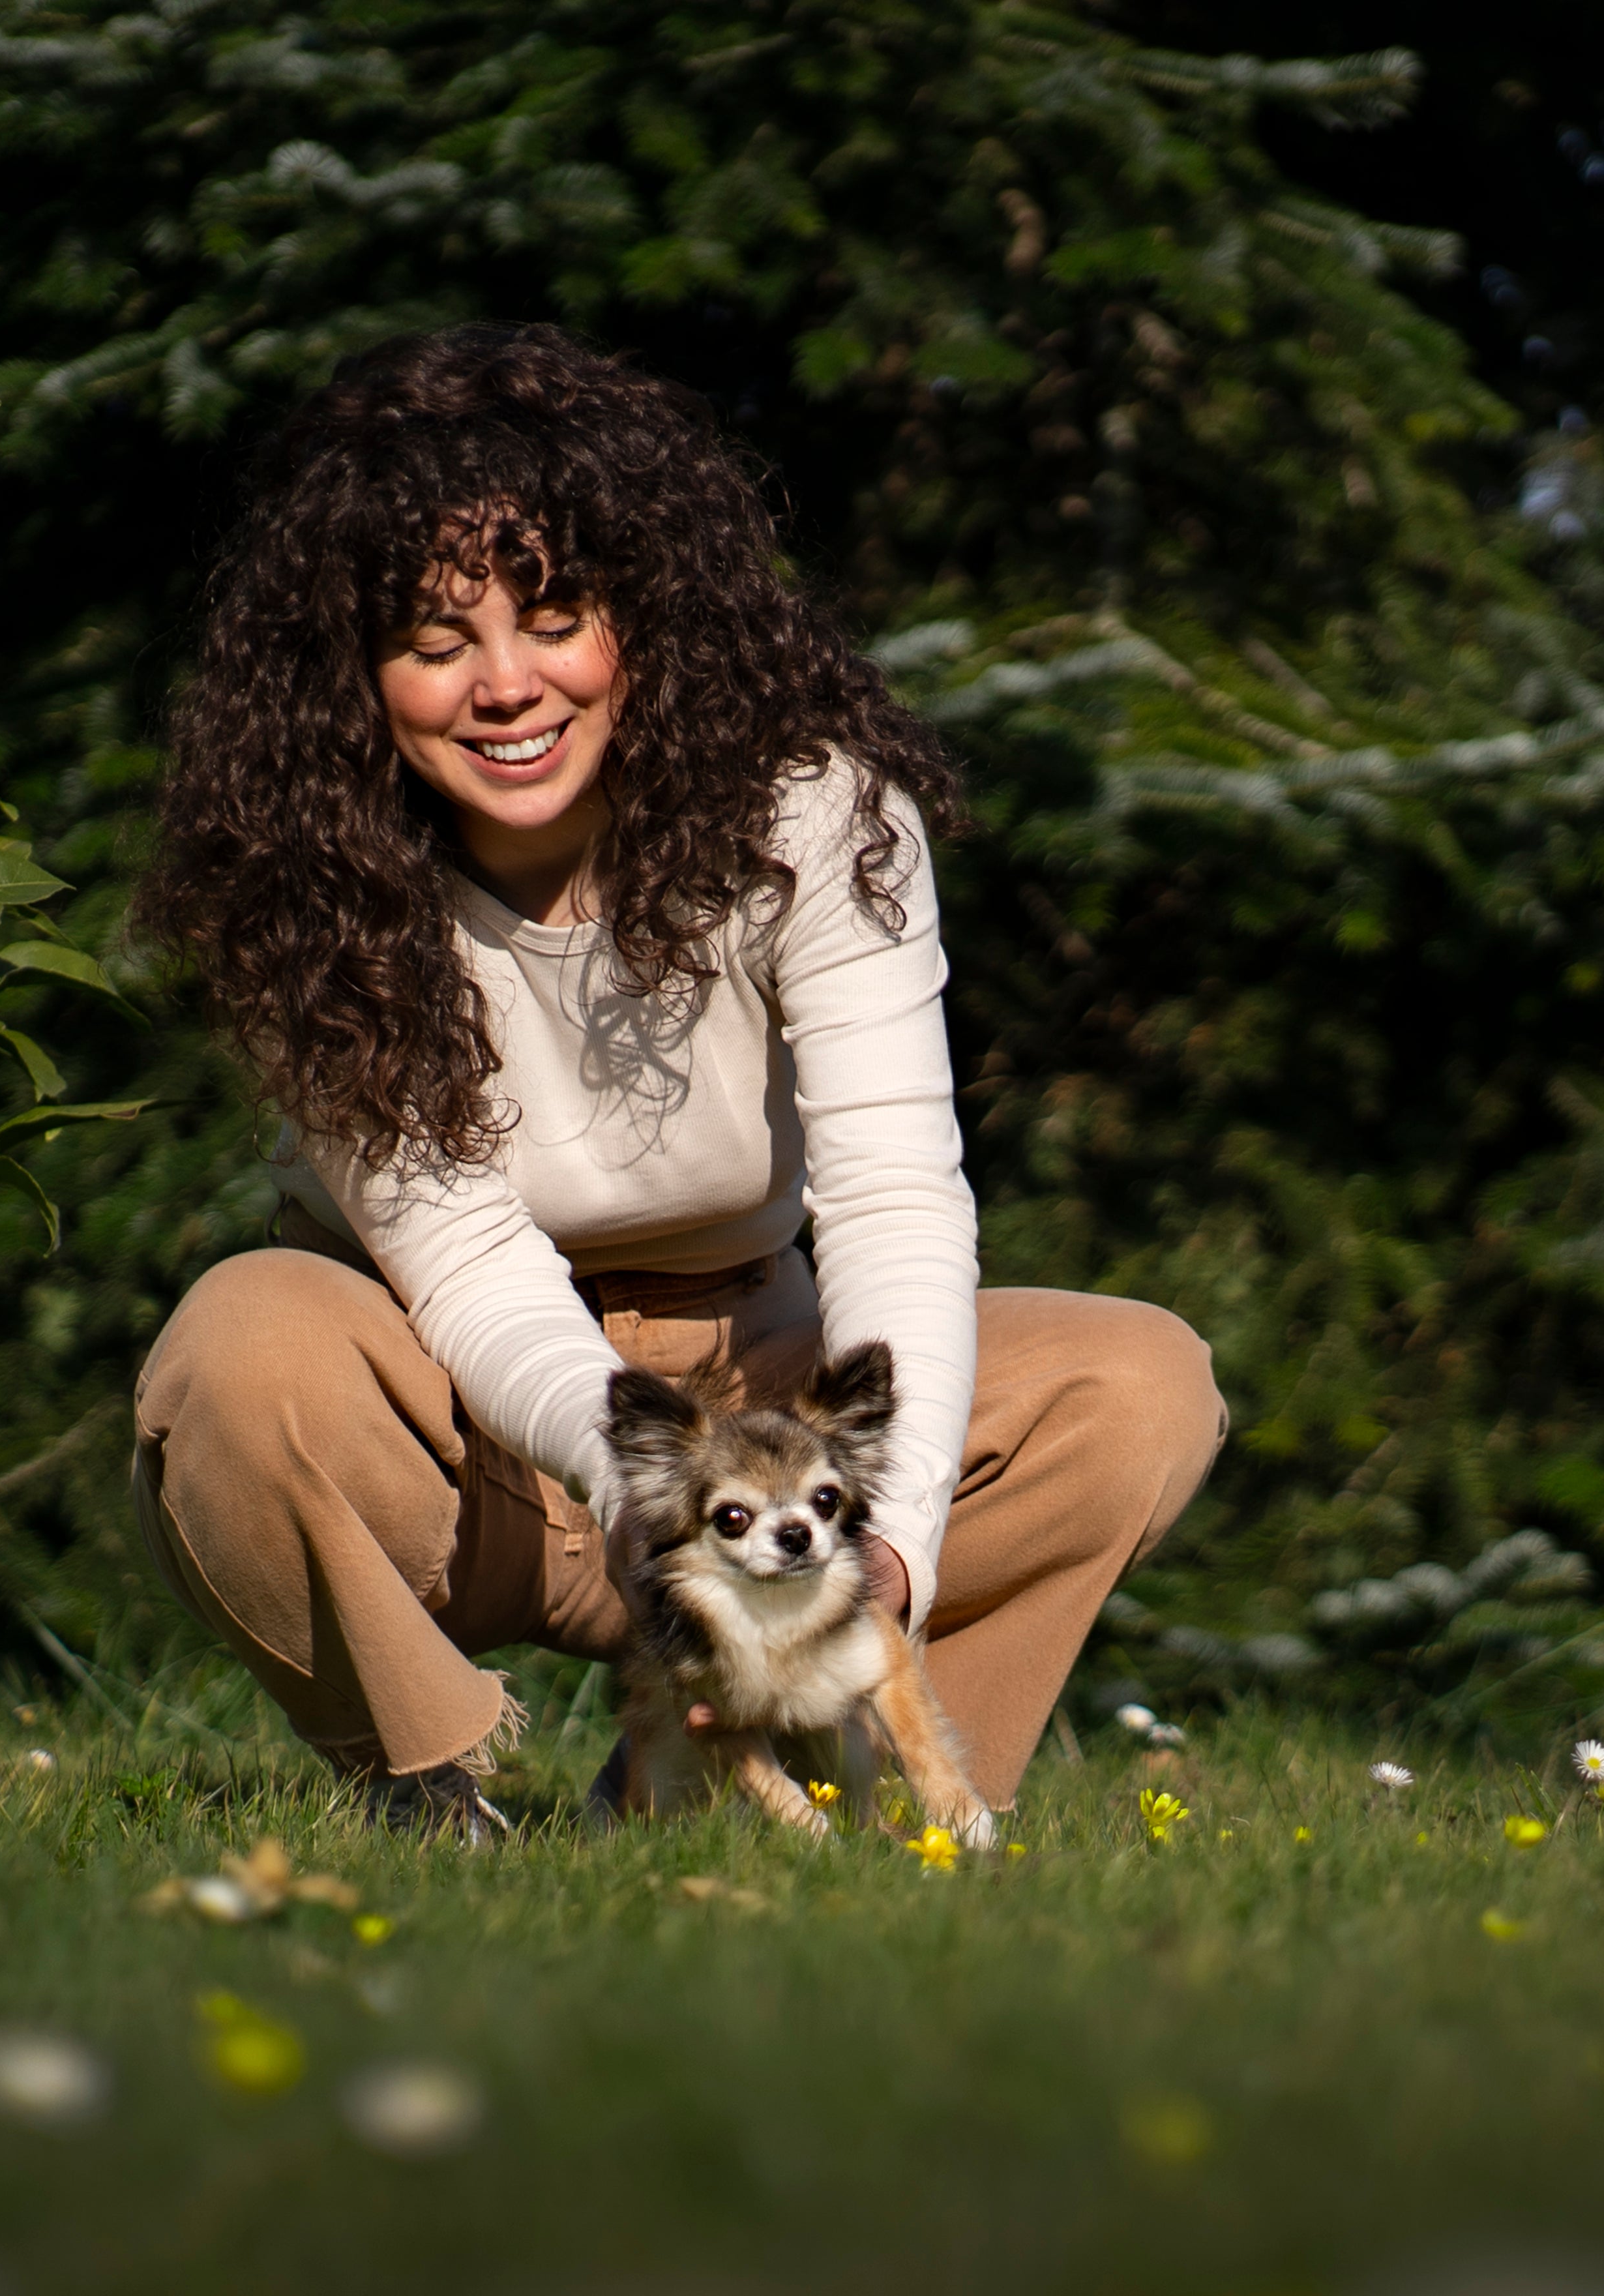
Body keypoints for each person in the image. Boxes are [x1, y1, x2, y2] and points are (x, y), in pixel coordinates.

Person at [130, 324, 1225, 1840]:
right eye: (435, 645)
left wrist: (886, 1545)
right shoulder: (299, 883)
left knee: (1137, 1385)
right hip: (462, 1414)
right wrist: (654, 1499)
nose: (505, 687)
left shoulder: (819, 813)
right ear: (355, 681)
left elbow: (896, 1201)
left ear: (643, 620)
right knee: (234, 1354)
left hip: (771, 1410)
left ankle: (814, 1794)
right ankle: (429, 1799)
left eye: (555, 619)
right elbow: (468, 1269)